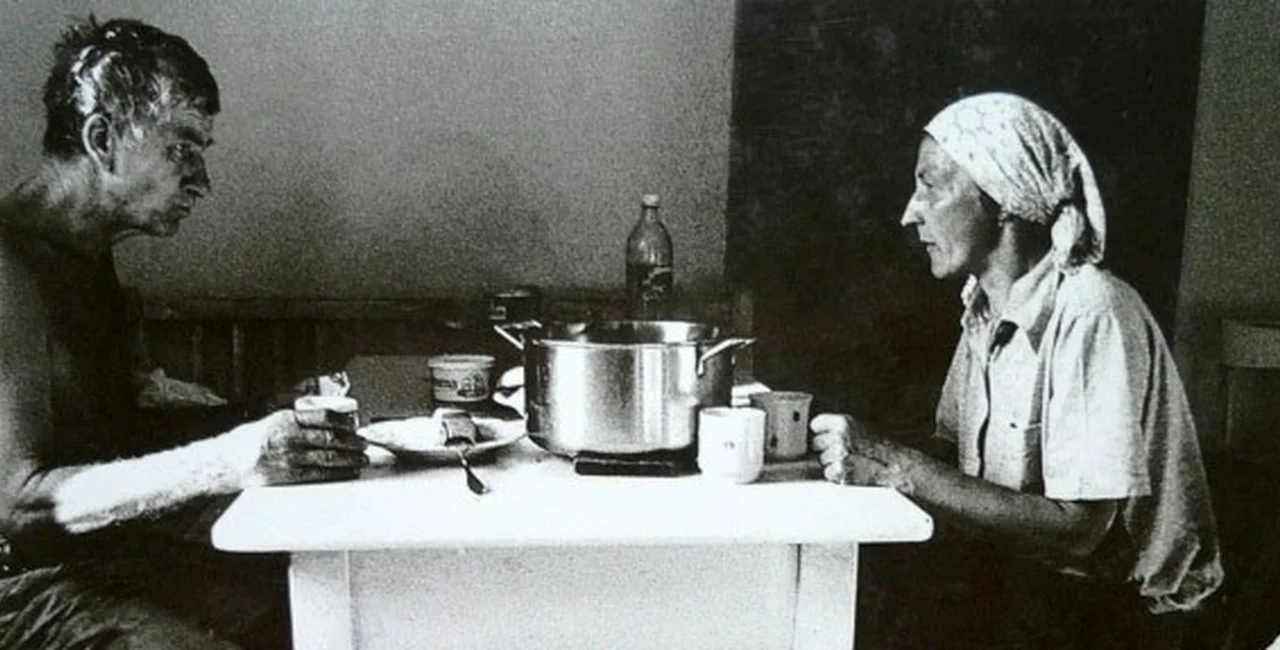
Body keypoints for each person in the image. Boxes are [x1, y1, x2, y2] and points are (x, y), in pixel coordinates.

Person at [0, 17, 368, 649]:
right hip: (18, 589)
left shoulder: (82, 254)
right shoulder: (9, 267)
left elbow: (107, 437)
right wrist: (229, 459)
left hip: (89, 562)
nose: (201, 180)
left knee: (320, 592)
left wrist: (259, 414)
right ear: (102, 139)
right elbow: (20, 503)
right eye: (181, 148)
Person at [812, 92, 1223, 649]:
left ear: (1002, 198)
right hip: (1033, 592)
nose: (910, 212)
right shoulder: (984, 306)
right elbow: (952, 455)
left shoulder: (1091, 308)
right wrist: (858, 451)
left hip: (1129, 618)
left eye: (930, 185)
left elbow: (1080, 531)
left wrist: (896, 465)